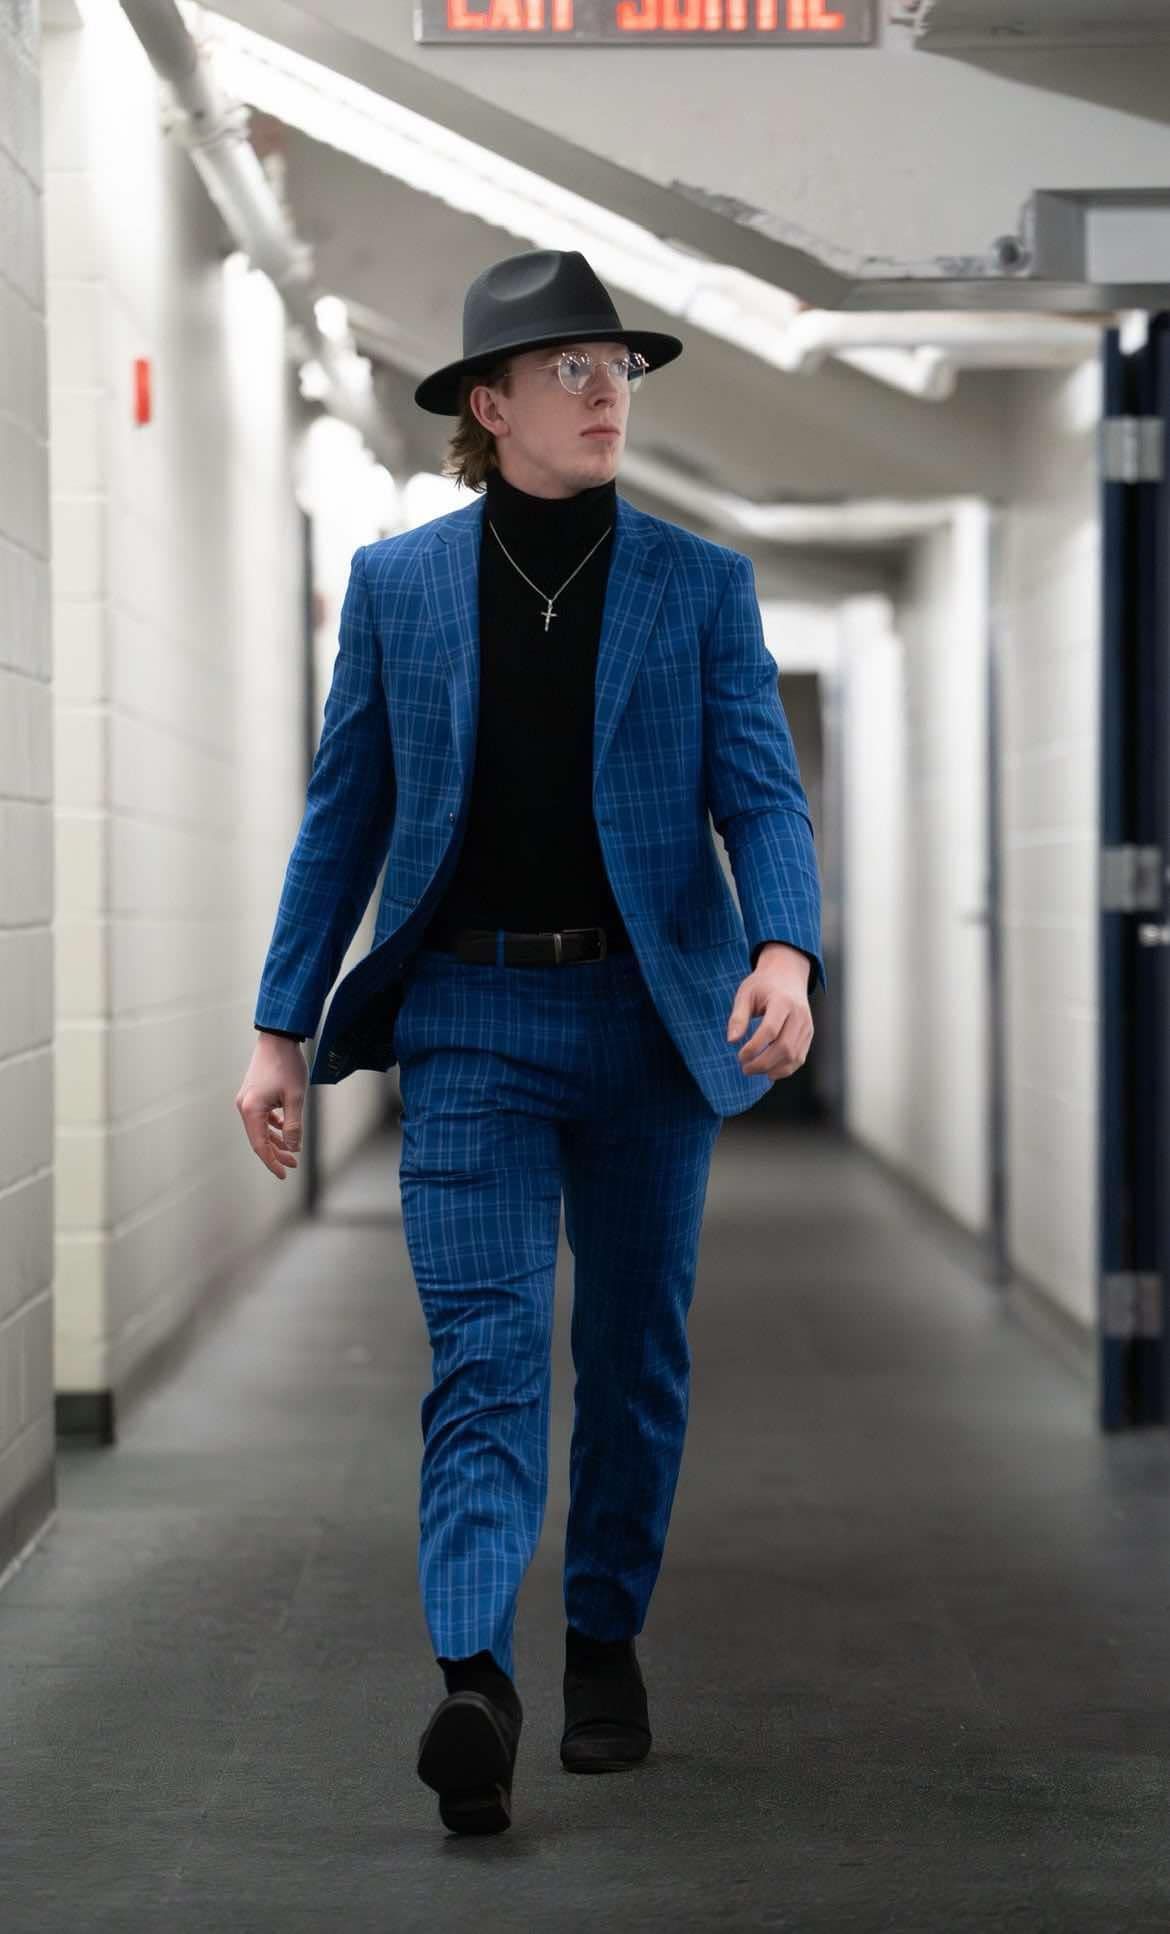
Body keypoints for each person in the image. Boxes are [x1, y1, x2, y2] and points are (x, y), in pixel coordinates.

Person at [235, 249, 825, 1836]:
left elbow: (757, 788)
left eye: (618, 368)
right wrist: (279, 1024)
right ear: (486, 407)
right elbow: (342, 813)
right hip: (471, 1018)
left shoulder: (695, 586)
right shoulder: (400, 586)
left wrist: (783, 942)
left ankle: (605, 1640)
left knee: (630, 1356)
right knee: (485, 1357)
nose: (604, 392)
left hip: (648, 1016)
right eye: (569, 370)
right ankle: (476, 1678)